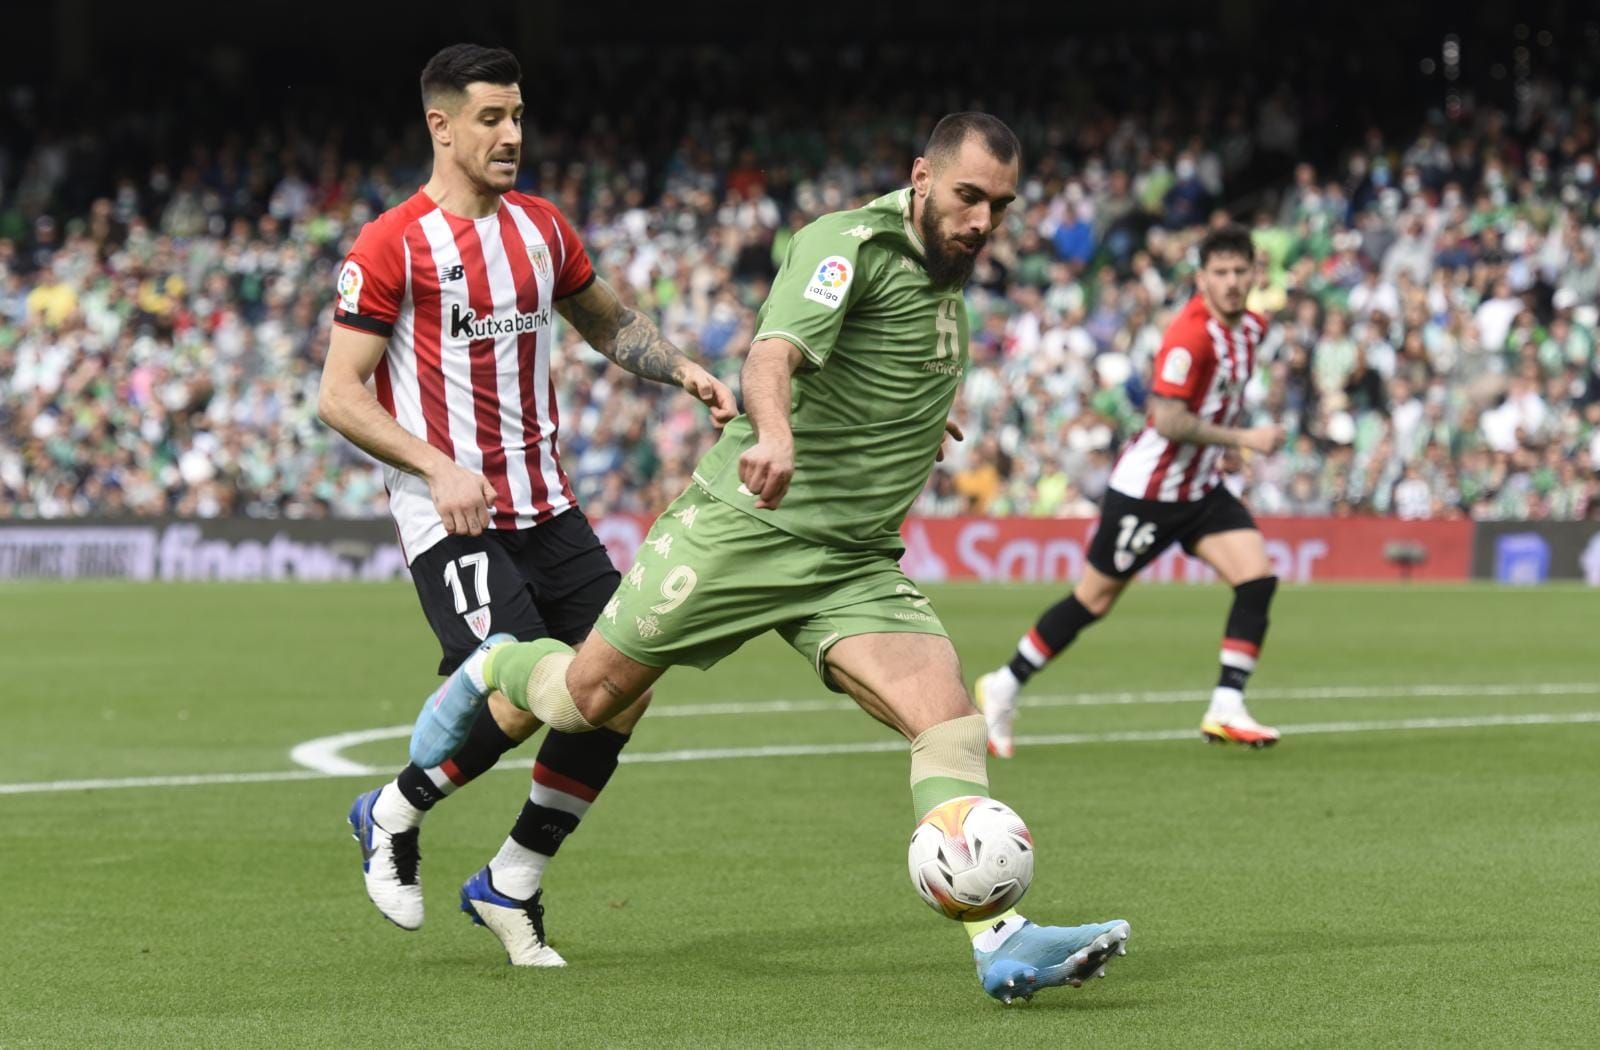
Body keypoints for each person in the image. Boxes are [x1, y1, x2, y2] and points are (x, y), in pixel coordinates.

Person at [405, 112, 1131, 1003]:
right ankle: (494, 664)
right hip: (746, 528)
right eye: (968, 197)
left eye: (1000, 207)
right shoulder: (845, 247)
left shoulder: (944, 273)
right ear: (921, 177)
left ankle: (1001, 943)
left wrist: (914, 419)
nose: (982, 221)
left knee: (948, 725)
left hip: (853, 562)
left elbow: (880, 364)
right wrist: (775, 436)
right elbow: (774, 354)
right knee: (582, 700)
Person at [317, 44, 735, 965]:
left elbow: (606, 321)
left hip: (548, 507)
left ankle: (511, 879)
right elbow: (340, 395)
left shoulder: (541, 229)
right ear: (442, 126)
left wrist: (684, 370)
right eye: (492, 119)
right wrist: (438, 467)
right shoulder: (391, 244)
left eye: (518, 116)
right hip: (450, 515)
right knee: (525, 668)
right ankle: (389, 815)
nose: (512, 135)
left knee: (621, 681)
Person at [974, 223, 1286, 756]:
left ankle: (1226, 706)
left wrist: (1222, 447)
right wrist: (1244, 438)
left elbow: (1212, 403)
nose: (1232, 282)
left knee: (1256, 578)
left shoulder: (1251, 329)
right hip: (1149, 494)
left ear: (1255, 274)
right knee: (1093, 601)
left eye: (1241, 271)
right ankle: (1004, 682)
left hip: (1200, 488)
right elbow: (1166, 419)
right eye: (1221, 272)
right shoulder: (1189, 336)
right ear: (1201, 278)